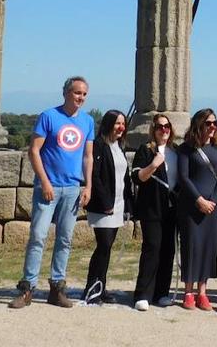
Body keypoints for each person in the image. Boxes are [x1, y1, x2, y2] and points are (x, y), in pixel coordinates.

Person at [9, 76, 94, 309]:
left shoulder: (87, 121)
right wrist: (45, 182)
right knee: (38, 236)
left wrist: (88, 186)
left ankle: (57, 287)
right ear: (66, 93)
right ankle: (28, 287)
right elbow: (34, 151)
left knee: (65, 239)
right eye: (77, 93)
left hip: (73, 188)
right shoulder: (49, 116)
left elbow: (88, 156)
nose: (81, 98)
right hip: (49, 187)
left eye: (84, 94)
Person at [176, 108, 217, 311]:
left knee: (208, 247)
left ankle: (202, 292)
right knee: (191, 245)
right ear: (199, 125)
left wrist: (213, 201)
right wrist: (199, 200)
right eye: (208, 123)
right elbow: (184, 177)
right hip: (191, 204)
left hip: (213, 206)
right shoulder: (185, 148)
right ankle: (188, 291)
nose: (212, 127)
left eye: (215, 123)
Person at [84, 109, 133, 303]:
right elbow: (95, 176)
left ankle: (100, 286)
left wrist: (129, 204)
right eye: (117, 123)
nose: (121, 127)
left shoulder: (118, 146)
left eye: (123, 124)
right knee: (103, 247)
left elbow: (125, 178)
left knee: (107, 248)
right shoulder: (98, 145)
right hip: (104, 206)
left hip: (118, 205)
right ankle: (92, 288)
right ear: (108, 124)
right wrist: (105, 203)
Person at [131, 113, 178, 311]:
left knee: (168, 250)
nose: (164, 130)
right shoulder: (146, 150)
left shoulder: (175, 151)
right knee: (152, 248)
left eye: (167, 126)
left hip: (171, 208)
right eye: (160, 127)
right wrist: (154, 164)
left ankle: (161, 292)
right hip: (151, 208)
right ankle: (143, 293)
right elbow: (137, 177)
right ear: (153, 130)